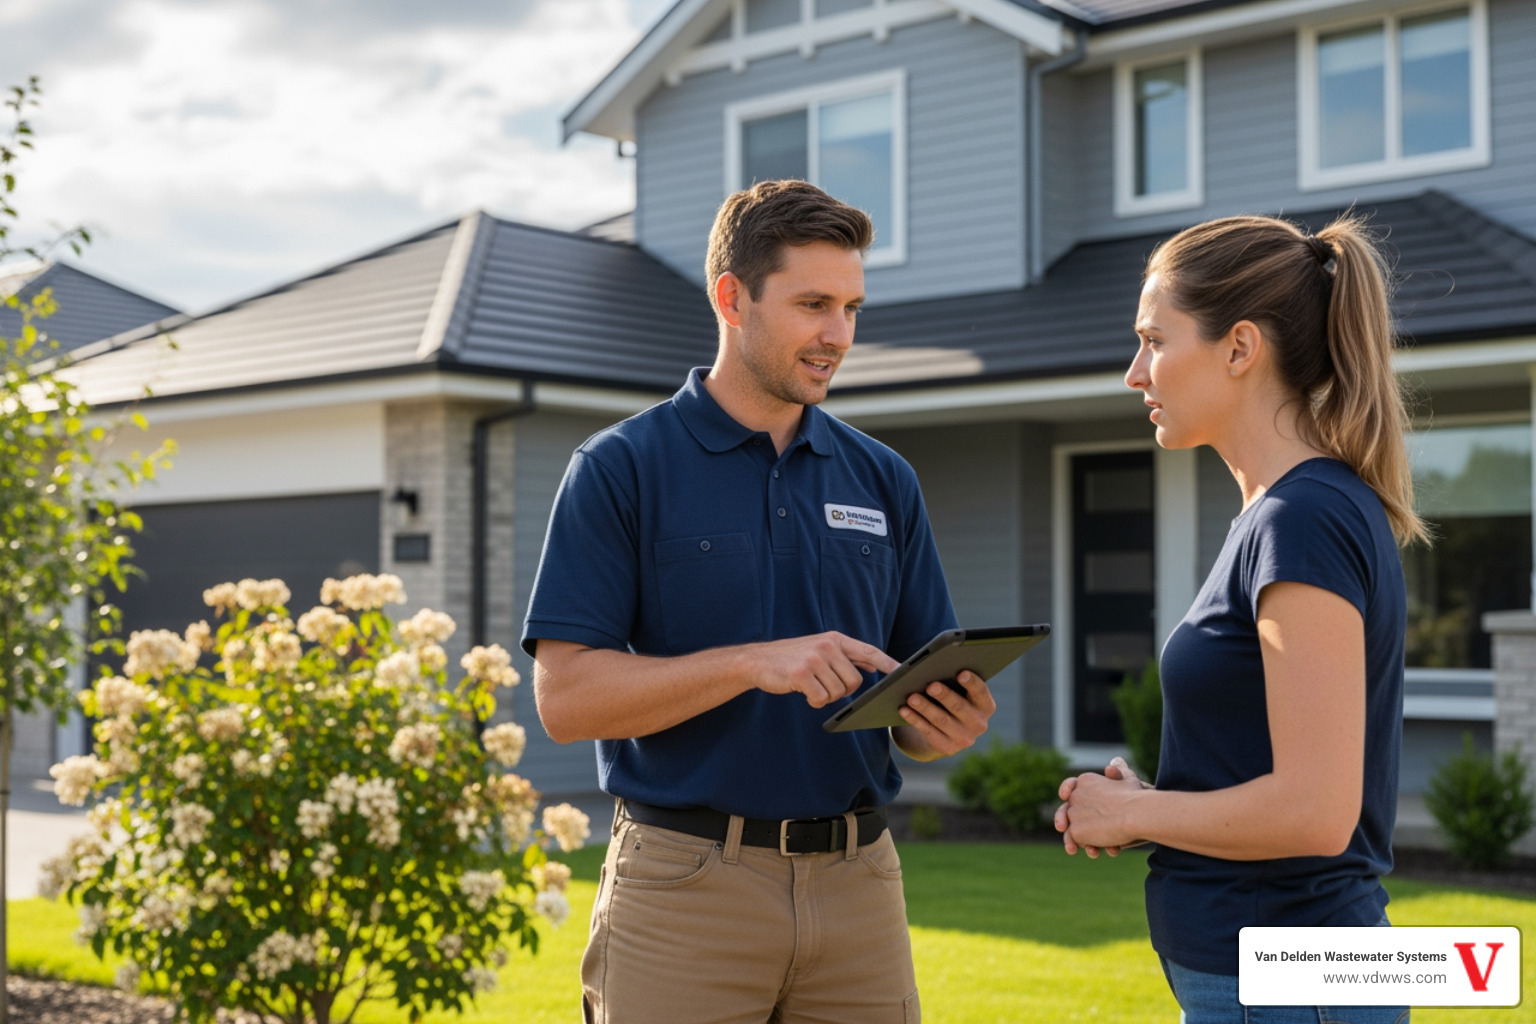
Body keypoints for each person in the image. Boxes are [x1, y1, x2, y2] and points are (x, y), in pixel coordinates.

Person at [521, 179, 997, 1023]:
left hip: (860, 888)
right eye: (813, 304)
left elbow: (917, 705)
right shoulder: (621, 467)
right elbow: (566, 701)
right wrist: (752, 664)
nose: (838, 335)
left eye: (851, 307)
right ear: (732, 298)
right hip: (684, 887)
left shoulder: (883, 479)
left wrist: (937, 725)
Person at [1054, 213, 1425, 1024]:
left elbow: (1316, 812)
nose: (1134, 372)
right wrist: (1157, 803)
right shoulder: (1285, 514)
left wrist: (1137, 812)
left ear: (1239, 348)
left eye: (1154, 340)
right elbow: (1275, 779)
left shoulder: (1303, 518)